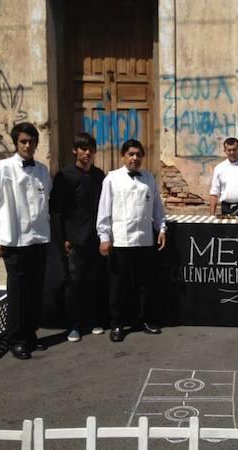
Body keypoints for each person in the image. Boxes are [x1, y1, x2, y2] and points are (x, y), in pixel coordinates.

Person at [0, 122, 51, 360]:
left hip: (39, 238)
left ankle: (31, 335)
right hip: (14, 239)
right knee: (18, 291)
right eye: (23, 141)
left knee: (35, 289)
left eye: (31, 141)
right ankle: (15, 339)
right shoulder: (3, 168)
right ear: (16, 143)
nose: (27, 145)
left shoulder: (42, 170)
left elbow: (46, 200)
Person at [96, 139, 166, 342]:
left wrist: (161, 228)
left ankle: (144, 320)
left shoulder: (149, 178)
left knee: (145, 284)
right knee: (118, 285)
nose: (135, 158)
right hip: (121, 241)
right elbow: (104, 209)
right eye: (131, 154)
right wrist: (104, 237)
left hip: (144, 240)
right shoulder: (112, 179)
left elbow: (157, 207)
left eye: (138, 155)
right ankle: (117, 324)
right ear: (123, 156)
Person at [50, 132, 106, 342]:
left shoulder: (99, 176)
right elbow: (56, 211)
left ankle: (94, 319)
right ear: (75, 150)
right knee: (74, 283)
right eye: (83, 149)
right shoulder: (64, 177)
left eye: (91, 149)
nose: (87, 153)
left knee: (95, 281)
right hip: (74, 239)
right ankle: (74, 324)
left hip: (96, 238)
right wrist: (63, 238)